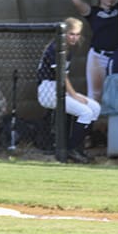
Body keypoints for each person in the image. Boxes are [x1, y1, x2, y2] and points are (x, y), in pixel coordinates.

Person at [36, 17, 101, 164]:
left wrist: (73, 95)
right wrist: (74, 95)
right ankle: (71, 149)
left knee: (95, 108)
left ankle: (78, 148)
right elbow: (61, 77)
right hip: (47, 89)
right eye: (71, 34)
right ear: (64, 33)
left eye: (77, 34)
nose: (74, 37)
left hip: (59, 89)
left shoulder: (68, 51)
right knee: (86, 112)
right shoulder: (54, 48)